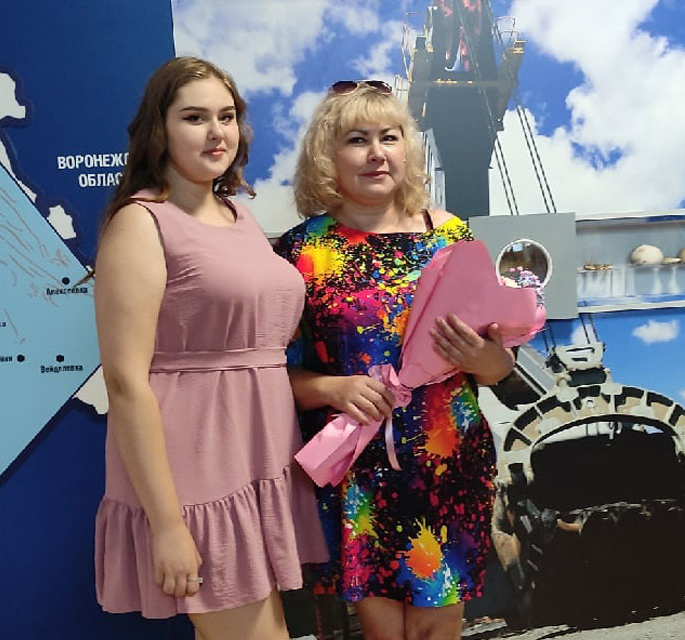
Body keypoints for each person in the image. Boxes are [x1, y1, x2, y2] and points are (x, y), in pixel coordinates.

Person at [92, 56, 326, 640]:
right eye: (195, 117)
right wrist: (168, 525)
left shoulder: (238, 216)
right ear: (160, 129)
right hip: (195, 474)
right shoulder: (141, 223)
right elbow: (124, 383)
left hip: (260, 457)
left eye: (227, 116)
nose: (217, 132)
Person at [275, 80, 516, 640]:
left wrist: (480, 355)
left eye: (389, 137)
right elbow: (271, 374)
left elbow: (499, 367)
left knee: (437, 628)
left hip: (448, 465)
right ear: (327, 155)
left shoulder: (451, 235)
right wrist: (333, 389)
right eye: (357, 139)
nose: (377, 153)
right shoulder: (301, 251)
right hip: (356, 468)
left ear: (408, 148)